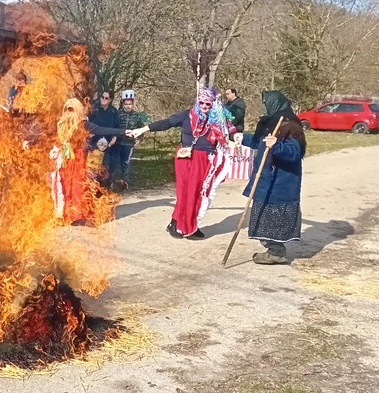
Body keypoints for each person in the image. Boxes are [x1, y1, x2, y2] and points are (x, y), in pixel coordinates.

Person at [129, 87, 232, 239]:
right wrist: (143, 129)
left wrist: (237, 137)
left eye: (208, 104)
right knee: (185, 192)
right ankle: (175, 223)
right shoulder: (186, 116)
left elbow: (231, 130)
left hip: (205, 160)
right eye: (201, 102)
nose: (204, 106)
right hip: (186, 158)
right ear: (198, 101)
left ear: (213, 104)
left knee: (199, 193)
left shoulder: (218, 119)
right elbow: (167, 123)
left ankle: (192, 225)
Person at [238, 91, 306, 264]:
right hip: (266, 180)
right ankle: (274, 250)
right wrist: (241, 137)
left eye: (266, 104)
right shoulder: (272, 123)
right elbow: (259, 142)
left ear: (275, 104)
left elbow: (294, 153)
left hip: (280, 182)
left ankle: (276, 252)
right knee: (263, 216)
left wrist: (277, 146)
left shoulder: (291, 126)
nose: (264, 107)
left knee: (274, 219)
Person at [112, 90, 145, 189]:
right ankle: (114, 182)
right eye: (126, 104)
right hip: (117, 142)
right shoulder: (117, 114)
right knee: (116, 162)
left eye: (130, 104)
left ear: (132, 104)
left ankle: (125, 182)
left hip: (129, 143)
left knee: (126, 162)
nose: (127, 106)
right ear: (122, 103)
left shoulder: (137, 116)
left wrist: (139, 138)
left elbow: (141, 128)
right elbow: (112, 126)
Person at [86, 90, 120, 179]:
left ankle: (103, 186)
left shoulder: (113, 111)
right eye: (102, 97)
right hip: (94, 141)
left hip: (107, 141)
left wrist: (115, 137)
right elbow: (86, 121)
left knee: (105, 165)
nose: (104, 100)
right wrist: (88, 133)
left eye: (106, 98)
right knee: (93, 165)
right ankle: (92, 186)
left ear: (110, 100)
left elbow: (117, 126)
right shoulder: (94, 109)